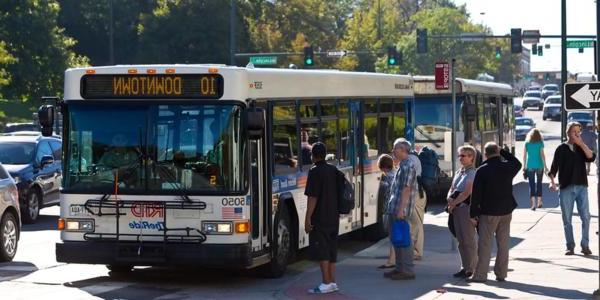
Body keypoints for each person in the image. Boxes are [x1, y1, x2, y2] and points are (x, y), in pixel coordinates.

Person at [468, 142, 521, 283]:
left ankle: (480, 275)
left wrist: (473, 214)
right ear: (497, 152)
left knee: (485, 245)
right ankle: (501, 273)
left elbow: (476, 195)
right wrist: (503, 151)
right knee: (503, 244)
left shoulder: (482, 170)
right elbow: (518, 163)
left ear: (485, 154)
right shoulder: (508, 167)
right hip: (506, 211)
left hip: (488, 212)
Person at [548, 122, 595, 256]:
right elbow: (553, 169)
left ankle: (585, 245)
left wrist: (581, 144)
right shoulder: (561, 149)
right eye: (574, 132)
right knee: (567, 219)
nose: (577, 134)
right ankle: (570, 246)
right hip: (566, 188)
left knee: (586, 217)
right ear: (568, 133)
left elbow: (591, 157)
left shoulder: (582, 147)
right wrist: (552, 182)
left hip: (581, 187)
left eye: (578, 132)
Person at [304, 142, 340, 294]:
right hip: (334, 216)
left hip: (320, 217)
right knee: (332, 249)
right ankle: (332, 282)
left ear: (313, 155)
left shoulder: (314, 172)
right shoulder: (333, 170)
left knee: (322, 250)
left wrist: (307, 218)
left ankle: (325, 282)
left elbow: (313, 197)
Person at [383, 138, 417, 280]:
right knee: (397, 238)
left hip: (400, 209)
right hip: (395, 207)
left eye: (395, 148)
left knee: (404, 239)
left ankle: (407, 270)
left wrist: (401, 209)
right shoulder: (402, 164)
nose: (392, 151)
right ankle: (399, 268)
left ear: (403, 150)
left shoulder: (408, 165)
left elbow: (406, 189)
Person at [446, 145, 478, 279]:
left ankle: (472, 268)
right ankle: (464, 267)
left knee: (469, 240)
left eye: (463, 155)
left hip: (466, 209)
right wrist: (449, 199)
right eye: (459, 155)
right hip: (456, 209)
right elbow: (452, 188)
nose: (460, 158)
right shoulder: (460, 171)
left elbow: (467, 192)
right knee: (461, 241)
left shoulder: (472, 172)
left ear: (471, 157)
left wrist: (453, 203)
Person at [377, 154, 396, 269]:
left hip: (390, 209)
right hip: (395, 208)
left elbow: (386, 195)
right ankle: (394, 258)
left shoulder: (387, 177)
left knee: (392, 235)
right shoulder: (395, 174)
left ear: (382, 166)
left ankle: (392, 260)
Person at [523, 128, 548, 210]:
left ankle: (533, 205)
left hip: (530, 165)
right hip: (539, 165)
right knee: (539, 183)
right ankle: (539, 202)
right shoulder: (540, 143)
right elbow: (542, 155)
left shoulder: (527, 143)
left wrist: (524, 166)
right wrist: (546, 166)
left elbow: (524, 156)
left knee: (531, 184)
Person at [407, 145, 425, 261]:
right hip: (416, 193)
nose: (393, 152)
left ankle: (417, 252)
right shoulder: (412, 159)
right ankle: (413, 251)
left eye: (395, 149)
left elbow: (409, 182)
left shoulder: (411, 160)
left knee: (416, 223)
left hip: (416, 194)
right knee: (414, 223)